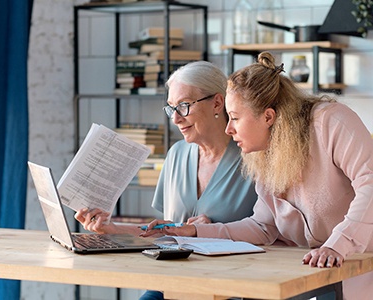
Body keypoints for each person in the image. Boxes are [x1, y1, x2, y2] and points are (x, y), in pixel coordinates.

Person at [142, 52, 373, 300]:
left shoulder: (331, 121)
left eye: (235, 118)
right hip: (313, 275)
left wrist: (337, 244)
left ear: (268, 117)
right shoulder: (264, 154)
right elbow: (263, 227)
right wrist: (196, 233)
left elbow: (370, 184)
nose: (229, 129)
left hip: (358, 268)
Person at [74, 61, 258, 299]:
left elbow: (270, 233)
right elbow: (166, 233)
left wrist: (204, 231)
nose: (176, 119)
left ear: (217, 102)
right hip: (172, 284)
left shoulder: (252, 158)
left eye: (184, 106)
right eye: (171, 109)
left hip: (230, 287)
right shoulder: (176, 154)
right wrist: (111, 229)